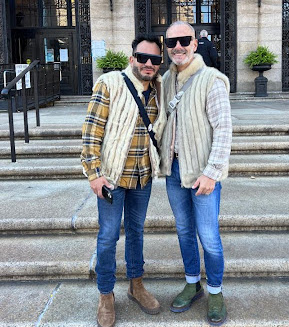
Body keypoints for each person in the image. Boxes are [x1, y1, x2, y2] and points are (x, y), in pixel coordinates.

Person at [81, 35, 166, 327]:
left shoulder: (158, 90)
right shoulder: (110, 83)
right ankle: (106, 294)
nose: (148, 64)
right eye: (143, 57)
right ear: (132, 58)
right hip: (112, 177)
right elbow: (92, 131)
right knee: (107, 237)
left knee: (137, 231)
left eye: (155, 59)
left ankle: (136, 285)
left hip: (143, 175)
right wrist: (93, 173)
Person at [160, 21, 232, 326]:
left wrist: (213, 172)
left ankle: (215, 289)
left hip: (203, 173)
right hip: (174, 171)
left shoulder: (211, 79)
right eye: (171, 41)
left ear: (195, 43)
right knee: (184, 231)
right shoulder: (165, 81)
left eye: (184, 40)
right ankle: (193, 283)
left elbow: (224, 130)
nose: (178, 46)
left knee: (208, 236)